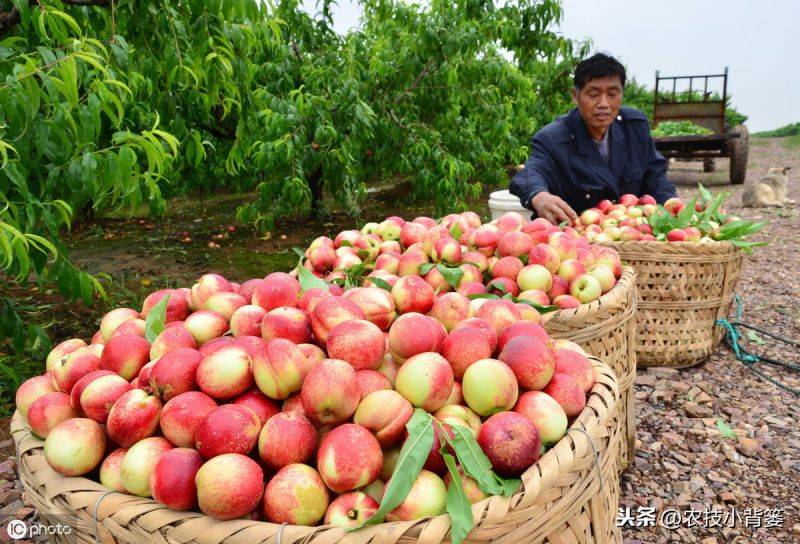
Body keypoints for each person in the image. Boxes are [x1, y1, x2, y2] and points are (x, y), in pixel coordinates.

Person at [510, 53, 677, 224]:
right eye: (594, 94)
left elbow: (655, 178)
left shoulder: (634, 127)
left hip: (631, 235)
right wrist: (539, 196)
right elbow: (530, 173)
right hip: (575, 239)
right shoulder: (553, 138)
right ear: (575, 95)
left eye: (612, 94)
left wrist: (671, 209)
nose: (604, 103)